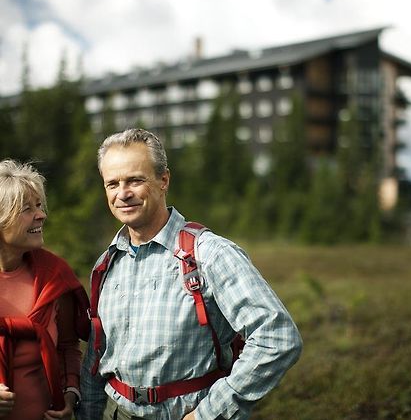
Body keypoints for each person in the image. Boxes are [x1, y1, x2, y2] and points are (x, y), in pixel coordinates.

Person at [78, 128, 302, 420]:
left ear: (163, 181)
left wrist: (209, 412)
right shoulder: (107, 264)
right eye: (112, 184)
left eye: (135, 180)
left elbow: (278, 338)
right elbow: (97, 359)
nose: (123, 193)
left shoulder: (210, 254)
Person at [0, 159, 90, 420]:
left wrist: (70, 395)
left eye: (39, 205)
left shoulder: (55, 276)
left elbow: (67, 346)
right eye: (27, 209)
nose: (41, 215)